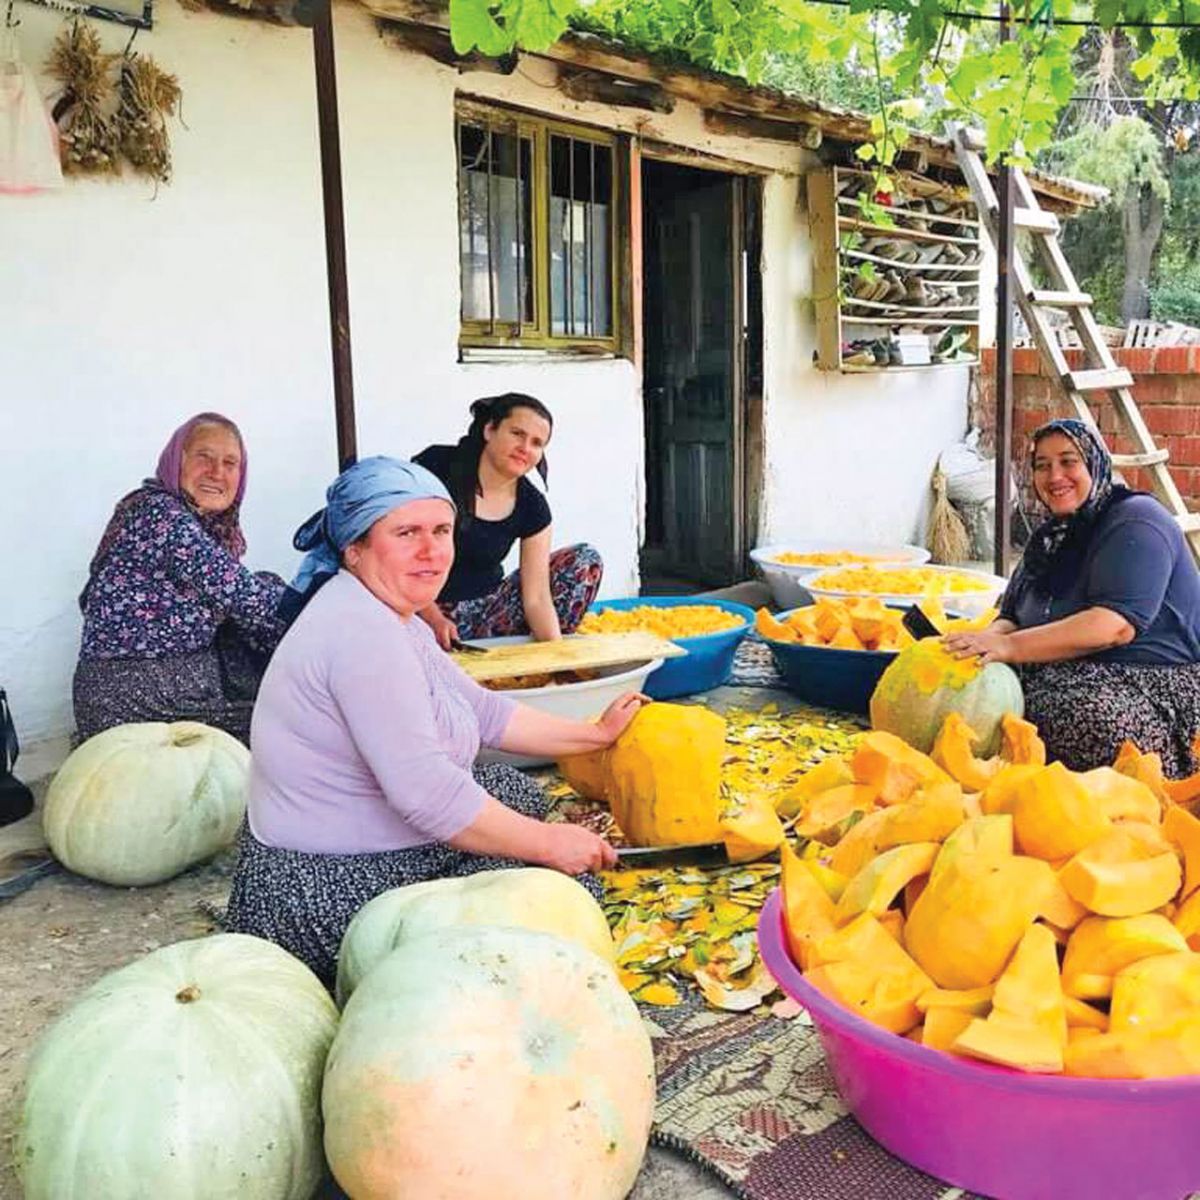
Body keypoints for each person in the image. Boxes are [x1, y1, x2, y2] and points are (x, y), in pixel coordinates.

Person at [224, 457, 642, 988]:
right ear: (355, 549)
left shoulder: (389, 612)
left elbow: (482, 711)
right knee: (564, 892)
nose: (431, 550)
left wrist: (593, 735)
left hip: (325, 852)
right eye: (406, 533)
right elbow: (426, 792)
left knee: (509, 789)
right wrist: (547, 844)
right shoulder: (360, 633)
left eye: (441, 531)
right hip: (319, 887)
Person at [945, 418, 1200, 775]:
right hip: (1064, 671)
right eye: (1042, 465)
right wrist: (983, 642)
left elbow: (1113, 627)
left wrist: (1010, 649)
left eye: (1068, 461)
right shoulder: (1050, 537)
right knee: (973, 697)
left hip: (1150, 682)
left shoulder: (1137, 520)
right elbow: (1012, 615)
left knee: (1083, 719)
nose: (1054, 476)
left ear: (1095, 463)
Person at [73, 413, 286, 744]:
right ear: (176, 460)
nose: (217, 472)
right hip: (136, 700)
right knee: (297, 727)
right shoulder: (161, 514)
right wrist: (329, 619)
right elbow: (247, 598)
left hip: (180, 689)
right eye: (204, 457)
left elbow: (254, 602)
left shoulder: (201, 526)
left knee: (267, 593)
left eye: (231, 463)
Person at [413, 393, 603, 649]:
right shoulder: (436, 466)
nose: (525, 448)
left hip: (486, 614)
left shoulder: (532, 506)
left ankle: (526, 664)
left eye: (537, 443)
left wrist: (558, 658)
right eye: (517, 434)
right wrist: (434, 619)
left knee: (584, 560)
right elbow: (398, 550)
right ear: (490, 429)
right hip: (418, 607)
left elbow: (536, 597)